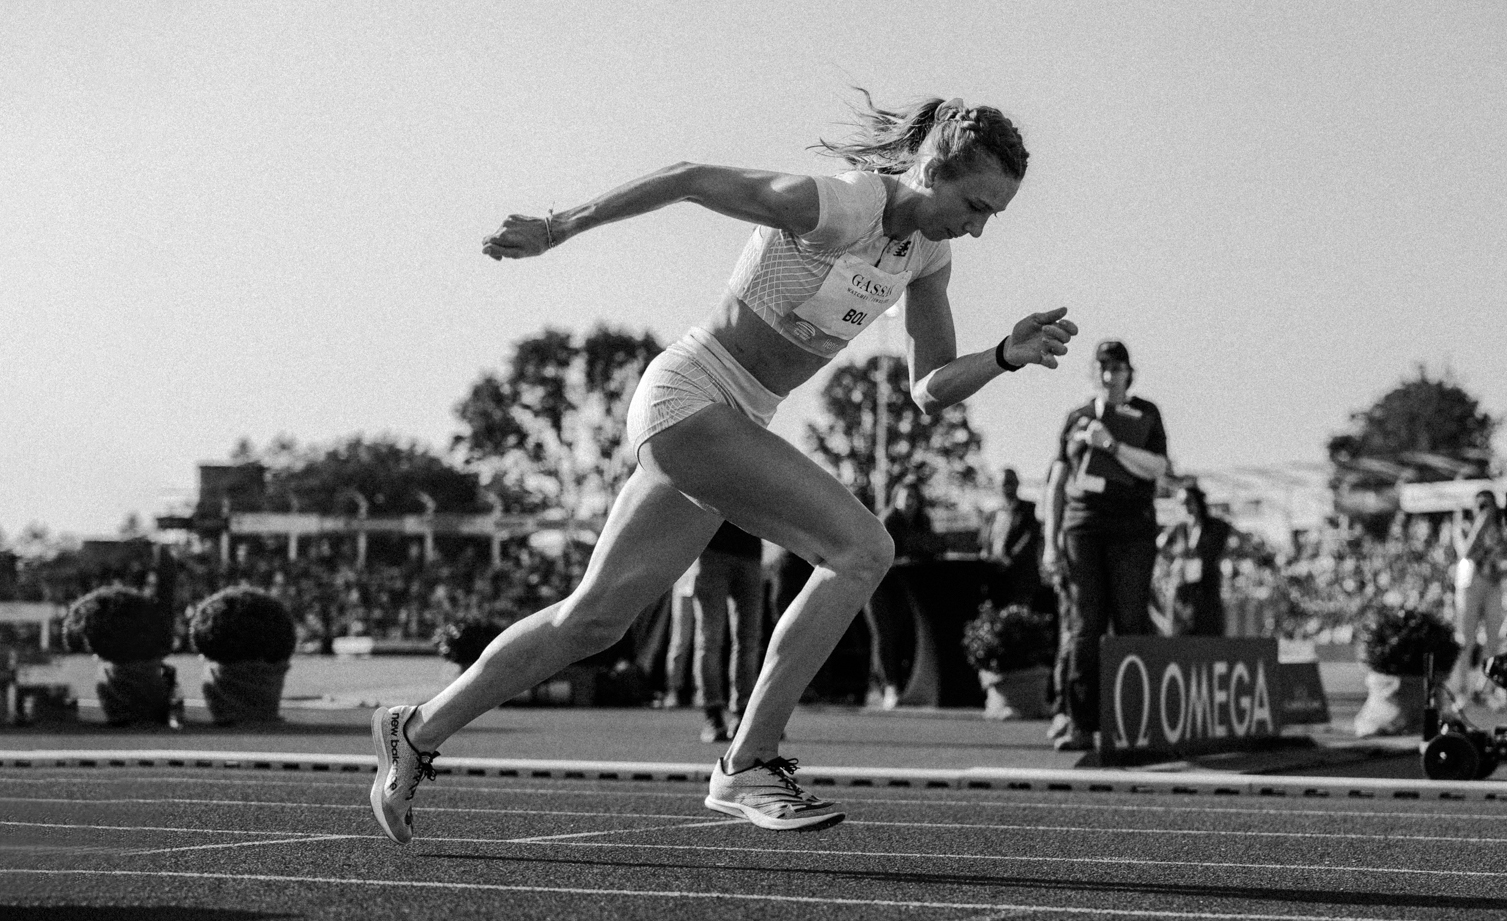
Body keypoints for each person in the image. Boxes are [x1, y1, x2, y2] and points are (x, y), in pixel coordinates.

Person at [369, 91, 1078, 841]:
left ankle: (415, 729)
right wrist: (557, 226)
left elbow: (928, 388)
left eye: (991, 214)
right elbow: (689, 176)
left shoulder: (928, 256)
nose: (976, 226)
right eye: (973, 204)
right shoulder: (839, 205)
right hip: (690, 394)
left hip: (731, 421)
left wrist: (1003, 356)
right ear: (931, 167)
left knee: (594, 621)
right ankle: (749, 759)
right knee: (863, 549)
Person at [1042, 339, 1169, 751]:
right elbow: (1057, 483)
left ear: (1130, 372)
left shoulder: (1146, 413)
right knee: (1085, 625)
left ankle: (1136, 720)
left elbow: (1156, 468)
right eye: (1102, 366)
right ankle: (1080, 722)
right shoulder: (1076, 417)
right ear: (1093, 372)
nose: (1109, 374)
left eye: (1117, 367)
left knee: (1131, 619)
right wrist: (1050, 542)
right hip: (1084, 527)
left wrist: (1111, 445)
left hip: (1132, 527)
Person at [864, 478, 941, 708]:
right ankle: (888, 687)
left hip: (904, 589)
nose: (910, 502)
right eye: (906, 497)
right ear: (896, 499)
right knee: (884, 635)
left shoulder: (923, 521)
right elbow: (885, 555)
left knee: (902, 635)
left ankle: (892, 686)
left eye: (914, 498)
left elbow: (932, 547)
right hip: (878, 585)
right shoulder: (888, 520)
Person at [689, 521, 767, 742]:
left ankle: (744, 713)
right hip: (711, 552)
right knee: (709, 639)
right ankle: (713, 716)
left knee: (748, 640)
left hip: (751, 553)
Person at [1158, 483, 1233, 637]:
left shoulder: (1214, 526)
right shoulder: (1180, 528)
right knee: (1181, 632)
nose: (1186, 507)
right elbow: (1160, 544)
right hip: (1183, 589)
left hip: (1206, 588)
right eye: (1182, 503)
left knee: (1209, 631)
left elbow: (1226, 542)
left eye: (1189, 502)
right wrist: (1175, 556)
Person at [1452, 490, 1505, 702]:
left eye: (1488, 505)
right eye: (1481, 505)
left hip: (1493, 583)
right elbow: (1466, 551)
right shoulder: (1463, 524)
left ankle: (1486, 688)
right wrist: (1480, 522)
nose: (1485, 509)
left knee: (1493, 638)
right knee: (1466, 639)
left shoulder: (1499, 528)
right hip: (1469, 582)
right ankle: (1460, 688)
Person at [979, 466, 1042, 609]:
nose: (1007, 487)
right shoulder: (990, 515)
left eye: (1010, 483)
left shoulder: (1029, 510)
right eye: (1003, 484)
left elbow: (1030, 539)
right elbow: (983, 542)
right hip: (995, 580)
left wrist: (1008, 560)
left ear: (1017, 484)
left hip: (1021, 581)